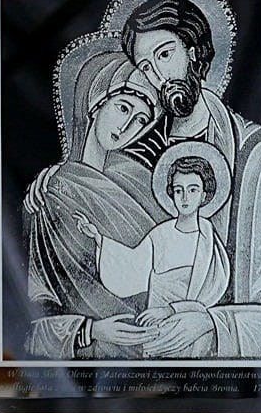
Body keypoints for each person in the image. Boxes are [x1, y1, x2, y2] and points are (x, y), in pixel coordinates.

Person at [117, 0, 261, 358]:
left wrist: (213, 324)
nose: (159, 76)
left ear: (193, 52)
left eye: (165, 54)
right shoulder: (133, 157)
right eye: (146, 67)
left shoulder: (259, 156)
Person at [24, 51, 171, 359]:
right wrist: (90, 330)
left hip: (159, 340)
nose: (128, 126)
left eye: (141, 120)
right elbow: (29, 316)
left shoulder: (142, 181)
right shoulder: (53, 191)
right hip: (97, 357)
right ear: (96, 104)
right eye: (123, 108)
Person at [73, 150, 231, 357]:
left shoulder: (209, 241)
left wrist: (172, 310)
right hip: (156, 331)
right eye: (178, 190)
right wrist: (98, 238)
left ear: (204, 195)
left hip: (194, 331)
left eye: (193, 190)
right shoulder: (160, 235)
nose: (185, 197)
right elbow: (131, 267)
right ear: (171, 193)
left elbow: (209, 298)